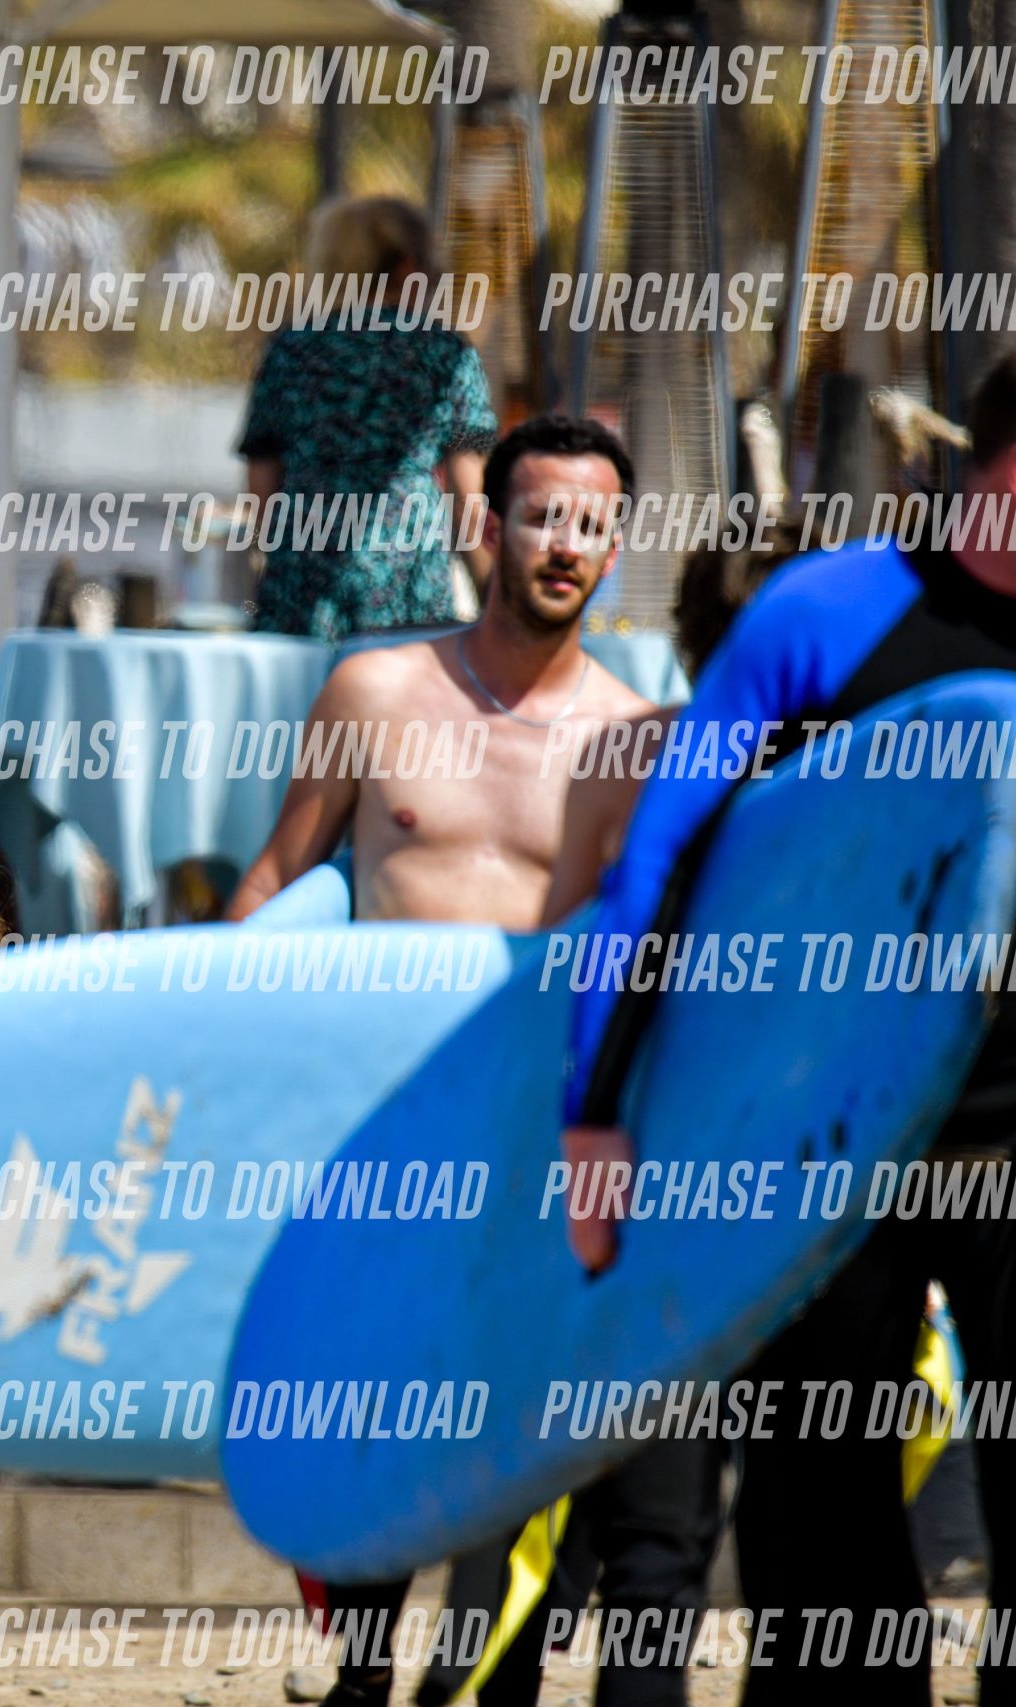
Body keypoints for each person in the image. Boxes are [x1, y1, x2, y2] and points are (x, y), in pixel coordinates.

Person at [559, 330, 1016, 1705]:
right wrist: (595, 1113)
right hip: (829, 1143)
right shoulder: (824, 616)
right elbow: (660, 864)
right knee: (821, 1509)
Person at [231, 417, 713, 1707]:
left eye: (593, 525)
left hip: (537, 1121)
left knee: (519, 1419)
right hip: (383, 1114)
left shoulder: (633, 736)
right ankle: (360, 1676)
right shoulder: (373, 693)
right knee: (383, 1405)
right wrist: (213, 1051)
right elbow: (277, 880)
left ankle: (488, 1682)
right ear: (485, 526)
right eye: (543, 515)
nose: (565, 546)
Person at [235, 194, 498, 642]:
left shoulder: (292, 349)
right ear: (409, 267)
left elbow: (262, 479)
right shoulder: (444, 352)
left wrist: (280, 559)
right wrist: (490, 593)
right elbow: (467, 496)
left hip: (303, 575)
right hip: (407, 578)